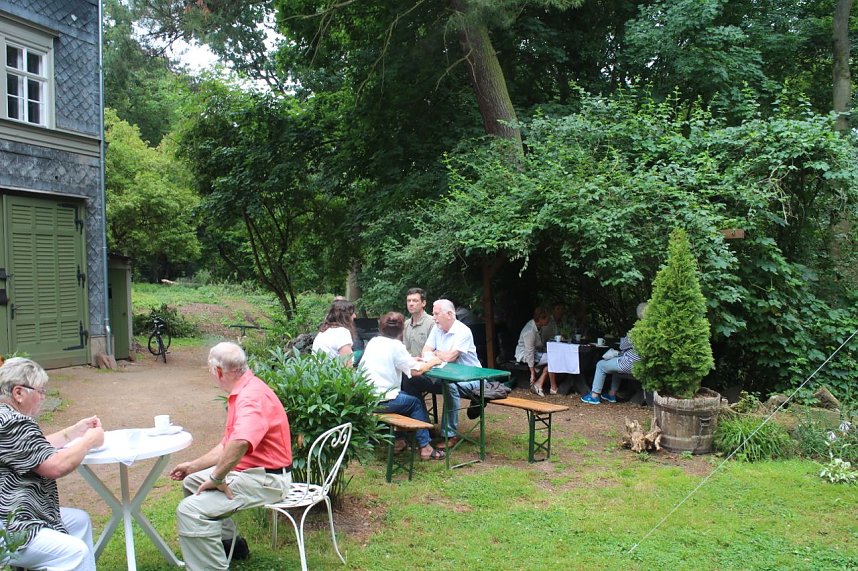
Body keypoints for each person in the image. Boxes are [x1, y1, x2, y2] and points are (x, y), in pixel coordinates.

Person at [170, 342, 293, 571]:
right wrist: (193, 466)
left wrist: (217, 478)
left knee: (189, 510)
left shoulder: (250, 397)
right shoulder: (247, 389)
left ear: (218, 371)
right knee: (192, 482)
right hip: (256, 473)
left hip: (268, 480)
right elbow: (229, 444)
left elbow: (240, 443)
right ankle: (232, 546)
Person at [0, 357, 103, 571]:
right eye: (40, 391)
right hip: (11, 524)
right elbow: (54, 467)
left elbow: (33, 448)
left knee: (78, 521)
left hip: (15, 512)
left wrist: (74, 431)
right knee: (75, 552)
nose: (43, 397)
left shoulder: (5, 417)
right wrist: (89, 440)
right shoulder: (13, 422)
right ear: (18, 393)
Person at [361, 312, 445, 460]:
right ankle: (425, 447)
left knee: (404, 397)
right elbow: (416, 371)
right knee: (415, 403)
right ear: (402, 330)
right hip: (381, 401)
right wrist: (433, 361)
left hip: (365, 398)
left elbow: (392, 360)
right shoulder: (397, 346)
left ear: (381, 327)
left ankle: (399, 440)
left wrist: (411, 359)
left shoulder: (374, 342)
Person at [404, 299, 482, 449]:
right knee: (410, 380)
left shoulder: (463, 331)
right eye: (433, 314)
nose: (433, 317)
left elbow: (450, 357)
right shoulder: (437, 328)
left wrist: (436, 354)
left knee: (450, 386)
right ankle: (423, 426)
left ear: (449, 314)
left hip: (471, 377)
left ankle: (450, 435)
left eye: (436, 314)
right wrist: (438, 355)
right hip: (442, 375)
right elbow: (425, 352)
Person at [581, 303, 647, 405]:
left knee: (601, 365)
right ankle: (612, 394)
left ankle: (594, 395)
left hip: (630, 364)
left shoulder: (637, 330)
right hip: (644, 365)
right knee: (615, 363)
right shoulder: (653, 330)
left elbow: (622, 346)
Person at [515, 307, 553, 396]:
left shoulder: (539, 327)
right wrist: (532, 372)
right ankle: (550, 387)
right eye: (547, 318)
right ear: (541, 318)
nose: (549, 320)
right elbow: (529, 352)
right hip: (524, 355)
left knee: (553, 359)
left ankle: (539, 384)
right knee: (553, 359)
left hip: (535, 353)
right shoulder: (530, 331)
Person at [312, 299, 357, 366]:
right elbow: (347, 367)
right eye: (352, 313)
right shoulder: (342, 332)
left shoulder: (323, 331)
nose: (355, 316)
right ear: (345, 316)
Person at [403, 287, 434, 357]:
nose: (411, 304)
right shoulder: (405, 324)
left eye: (415, 301)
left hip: (427, 366)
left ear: (423, 303)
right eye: (409, 301)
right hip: (409, 366)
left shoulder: (432, 323)